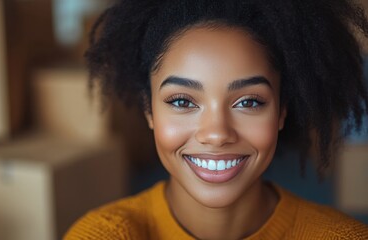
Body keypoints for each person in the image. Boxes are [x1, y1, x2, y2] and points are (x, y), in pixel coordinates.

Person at [64, 0, 368, 239]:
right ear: (149, 110)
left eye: (249, 102)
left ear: (281, 111)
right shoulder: (101, 235)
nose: (217, 133)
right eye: (182, 101)